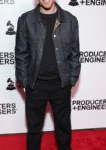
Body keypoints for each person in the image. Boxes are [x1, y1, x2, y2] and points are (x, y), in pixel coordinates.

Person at [15, 0, 81, 150]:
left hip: (61, 85)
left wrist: (71, 79)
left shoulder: (70, 20)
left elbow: (75, 54)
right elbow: (21, 53)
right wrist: (24, 82)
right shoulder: (26, 20)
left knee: (63, 129)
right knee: (34, 130)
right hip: (35, 85)